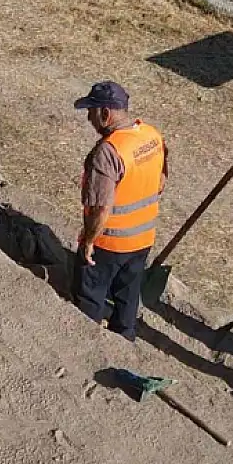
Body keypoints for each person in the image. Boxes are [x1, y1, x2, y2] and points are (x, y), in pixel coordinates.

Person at [73, 81, 167, 342]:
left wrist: (89, 242)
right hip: (143, 238)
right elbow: (161, 180)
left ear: (105, 113)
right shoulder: (151, 135)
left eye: (91, 111)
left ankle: (87, 342)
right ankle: (124, 338)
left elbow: (102, 207)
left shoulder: (107, 152)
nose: (89, 118)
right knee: (127, 294)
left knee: (89, 294)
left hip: (110, 242)